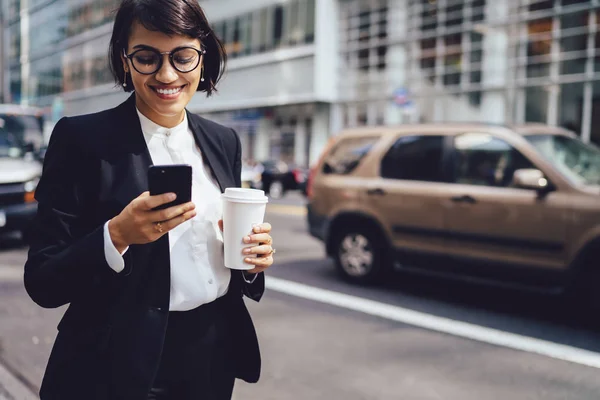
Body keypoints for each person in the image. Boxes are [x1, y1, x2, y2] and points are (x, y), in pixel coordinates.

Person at [23, 1, 274, 399]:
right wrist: (116, 235)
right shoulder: (81, 140)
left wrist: (250, 261)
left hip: (210, 357)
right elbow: (42, 281)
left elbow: (223, 258)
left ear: (202, 56)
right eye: (146, 57)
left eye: (183, 56)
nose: (167, 74)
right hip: (113, 364)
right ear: (125, 59)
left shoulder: (223, 140)